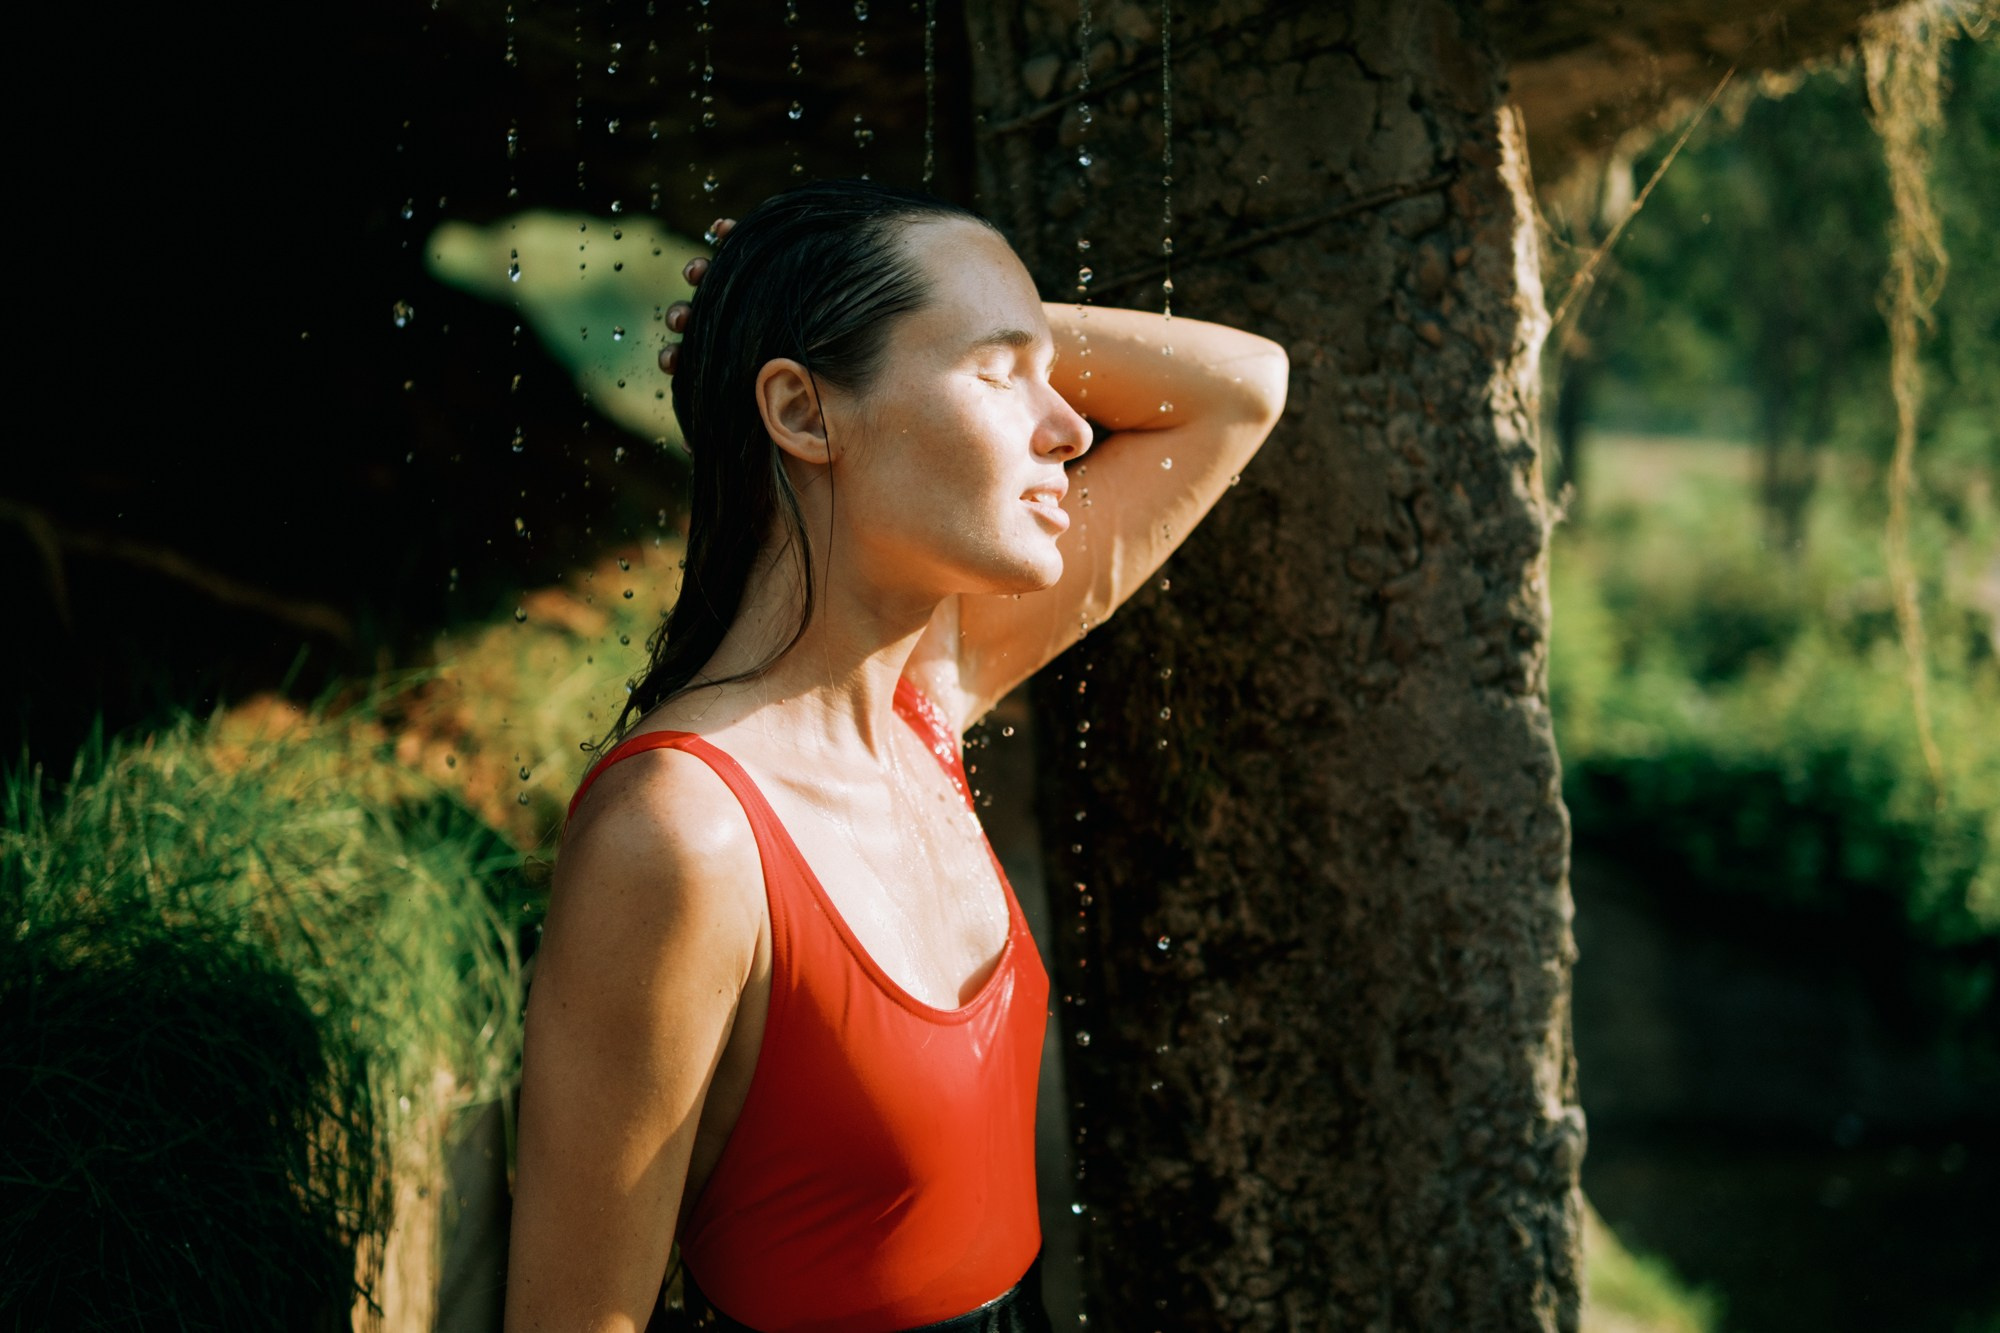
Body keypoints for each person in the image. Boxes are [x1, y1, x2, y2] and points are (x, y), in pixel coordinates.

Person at [504, 178, 1288, 1333]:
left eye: (1050, 373)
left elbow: (1240, 388)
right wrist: (828, 310)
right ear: (803, 413)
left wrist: (823, 308)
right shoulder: (682, 834)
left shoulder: (921, 706)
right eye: (999, 373)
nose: (1070, 428)